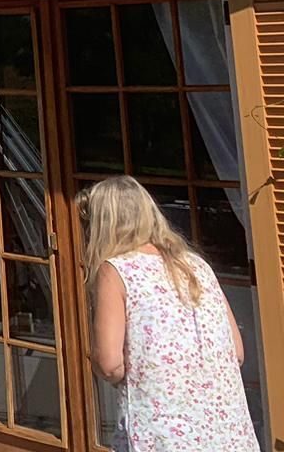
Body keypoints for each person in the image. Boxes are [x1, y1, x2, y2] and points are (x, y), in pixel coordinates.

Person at [79, 176, 258, 451]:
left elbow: (109, 363)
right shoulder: (196, 265)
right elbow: (237, 351)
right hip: (228, 433)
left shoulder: (116, 270)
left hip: (163, 434)